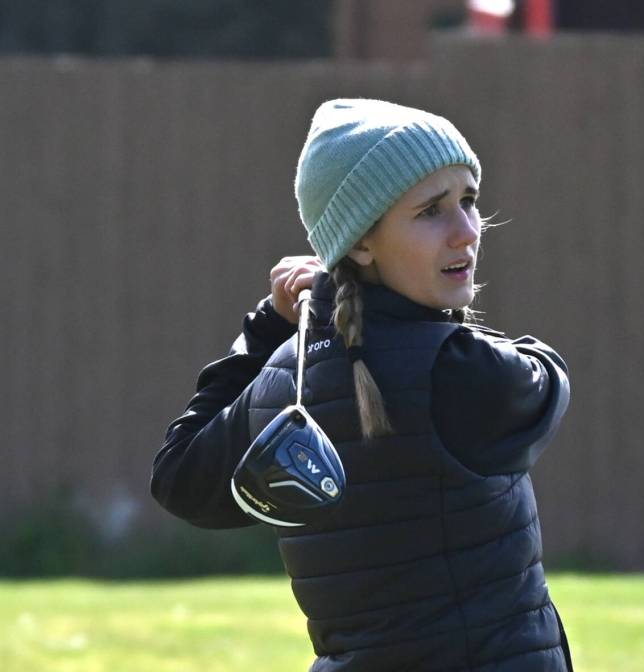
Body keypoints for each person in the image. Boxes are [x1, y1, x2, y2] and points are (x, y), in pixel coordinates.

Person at [150, 98, 573, 672]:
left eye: (468, 201)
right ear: (360, 241)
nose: (466, 231)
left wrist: (268, 327)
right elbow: (547, 381)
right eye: (431, 211)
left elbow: (181, 479)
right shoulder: (464, 370)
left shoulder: (283, 378)